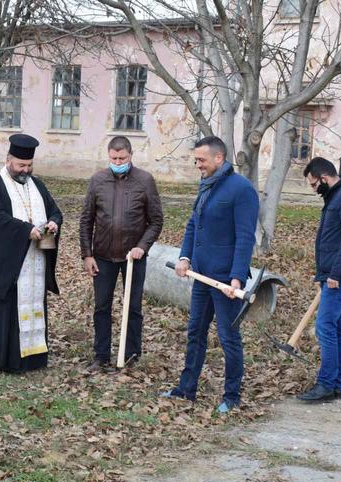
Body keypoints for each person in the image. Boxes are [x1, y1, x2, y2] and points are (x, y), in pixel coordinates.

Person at [162, 136, 259, 413]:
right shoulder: (207, 185)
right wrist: (185, 256)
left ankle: (231, 397)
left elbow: (244, 237)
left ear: (219, 158)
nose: (197, 165)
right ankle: (186, 389)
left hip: (226, 280)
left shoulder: (241, 190)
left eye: (201, 160)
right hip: (202, 275)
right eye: (196, 160)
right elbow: (194, 224)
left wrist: (237, 277)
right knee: (195, 332)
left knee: (229, 339)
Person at [0, 134, 63, 374]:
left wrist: (52, 223)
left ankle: (31, 359)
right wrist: (25, 230)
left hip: (34, 261)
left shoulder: (37, 185)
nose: (25, 170)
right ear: (8, 159)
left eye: (29, 166)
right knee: (1, 310)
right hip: (2, 262)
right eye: (20, 165)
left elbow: (54, 211)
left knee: (30, 307)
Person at [79, 136, 164, 372]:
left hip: (133, 258)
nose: (118, 161)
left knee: (133, 307)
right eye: (114, 158)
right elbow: (86, 219)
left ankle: (131, 355)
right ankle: (101, 355)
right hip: (103, 256)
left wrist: (142, 247)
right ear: (109, 156)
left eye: (122, 158)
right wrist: (87, 254)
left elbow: (156, 221)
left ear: (130, 155)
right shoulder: (98, 181)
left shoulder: (145, 181)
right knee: (101, 307)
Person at [298, 157, 341, 402]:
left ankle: (327, 384)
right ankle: (336, 385)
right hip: (334, 275)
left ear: (324, 178)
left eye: (314, 185)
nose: (314, 190)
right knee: (337, 328)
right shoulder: (337, 196)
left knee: (325, 327)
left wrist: (335, 275)